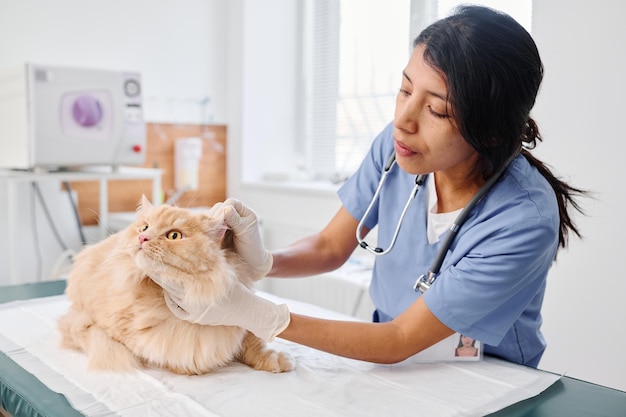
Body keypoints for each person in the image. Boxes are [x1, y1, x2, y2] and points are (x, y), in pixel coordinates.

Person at [153, 5, 585, 368]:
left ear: (489, 132)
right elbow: (329, 246)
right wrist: (262, 261)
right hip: (390, 358)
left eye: (436, 110)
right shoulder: (399, 147)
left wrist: (260, 315)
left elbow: (399, 340)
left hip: (484, 375)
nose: (404, 119)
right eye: (404, 89)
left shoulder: (523, 219)